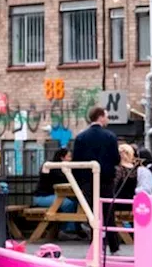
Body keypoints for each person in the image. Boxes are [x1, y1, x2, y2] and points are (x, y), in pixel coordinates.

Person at [72, 106, 123, 256]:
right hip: (106, 180)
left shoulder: (81, 137)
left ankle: (96, 244)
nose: (107, 119)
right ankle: (113, 246)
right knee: (108, 213)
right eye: (106, 116)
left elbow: (76, 162)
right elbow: (115, 159)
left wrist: (80, 182)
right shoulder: (110, 137)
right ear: (100, 117)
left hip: (88, 181)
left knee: (92, 214)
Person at [33, 148, 81, 239]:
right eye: (69, 157)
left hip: (46, 196)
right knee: (69, 204)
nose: (71, 159)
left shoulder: (56, 167)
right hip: (42, 197)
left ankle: (71, 228)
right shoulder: (54, 168)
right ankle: (68, 230)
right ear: (62, 158)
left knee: (72, 203)